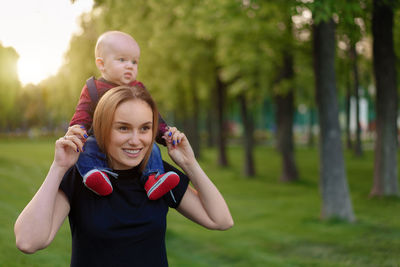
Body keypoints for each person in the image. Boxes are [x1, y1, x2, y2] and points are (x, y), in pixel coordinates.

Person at [14, 85, 233, 266]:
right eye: (123, 128)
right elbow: (28, 241)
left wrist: (189, 163)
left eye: (145, 128)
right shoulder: (81, 177)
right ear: (102, 128)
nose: (136, 140)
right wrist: (58, 167)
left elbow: (220, 220)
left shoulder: (159, 176)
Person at [69, 30, 179, 199]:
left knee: (152, 147)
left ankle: (153, 178)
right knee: (85, 147)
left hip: (130, 141)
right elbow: (82, 113)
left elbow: (152, 117)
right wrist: (77, 129)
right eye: (122, 60)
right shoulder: (93, 88)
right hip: (100, 139)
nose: (129, 65)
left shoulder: (138, 89)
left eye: (134, 62)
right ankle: (96, 175)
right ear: (101, 64)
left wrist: (165, 133)